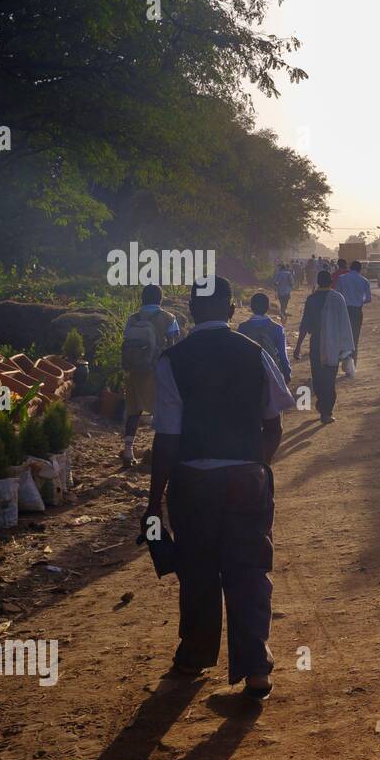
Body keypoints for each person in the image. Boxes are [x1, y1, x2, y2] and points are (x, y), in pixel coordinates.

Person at [144, 275, 295, 702]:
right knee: (249, 571)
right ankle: (256, 670)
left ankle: (193, 656)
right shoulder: (255, 354)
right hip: (246, 478)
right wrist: (256, 468)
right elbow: (274, 423)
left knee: (197, 570)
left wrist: (155, 501)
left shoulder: (173, 360)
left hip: (193, 482)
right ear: (232, 310)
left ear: (191, 311)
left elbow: (167, 439)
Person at [120, 284, 181, 466]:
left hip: (133, 371)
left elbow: (126, 342)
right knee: (162, 413)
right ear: (160, 299)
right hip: (156, 371)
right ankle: (158, 452)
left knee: (133, 411)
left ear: (142, 299)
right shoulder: (168, 318)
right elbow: (172, 346)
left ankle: (128, 452)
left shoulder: (133, 319)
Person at [293, 269, 353, 423]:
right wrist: (346, 347)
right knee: (329, 379)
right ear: (331, 282)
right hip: (333, 344)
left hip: (316, 344)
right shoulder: (338, 298)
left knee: (319, 378)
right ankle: (326, 410)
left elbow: (304, 325)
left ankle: (325, 409)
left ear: (318, 282)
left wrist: (298, 346)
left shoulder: (312, 299)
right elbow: (345, 324)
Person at [238, 292, 292, 383]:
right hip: (272, 373)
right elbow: (282, 354)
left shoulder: (243, 327)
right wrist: (287, 372)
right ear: (267, 307)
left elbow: (239, 354)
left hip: (249, 372)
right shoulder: (277, 328)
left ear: (251, 307)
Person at [336, 259, 373, 358]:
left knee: (343, 336)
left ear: (350, 268)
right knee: (354, 339)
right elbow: (368, 299)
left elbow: (337, 295)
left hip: (344, 311)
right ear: (360, 269)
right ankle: (352, 365)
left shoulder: (341, 278)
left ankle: (342, 358)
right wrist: (359, 300)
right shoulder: (364, 281)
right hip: (357, 311)